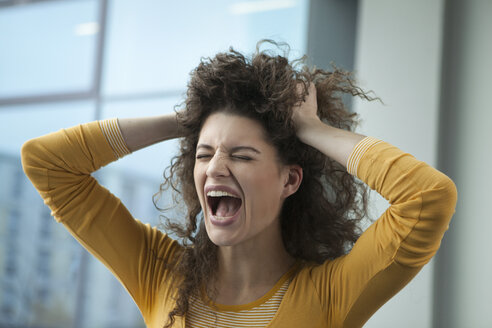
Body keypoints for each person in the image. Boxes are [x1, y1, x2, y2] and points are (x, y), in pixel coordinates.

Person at [21, 42, 457, 328]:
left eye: (242, 156)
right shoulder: (158, 272)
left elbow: (427, 197)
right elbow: (46, 164)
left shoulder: (329, 295)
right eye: (205, 153)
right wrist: (186, 120)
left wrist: (311, 129)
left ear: (289, 179)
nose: (215, 168)